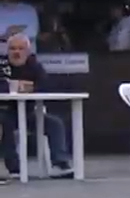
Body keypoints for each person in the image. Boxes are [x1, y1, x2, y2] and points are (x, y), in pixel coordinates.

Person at [0, 33, 74, 179]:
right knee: (4, 124)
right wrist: (15, 86)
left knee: (55, 123)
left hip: (29, 113)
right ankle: (15, 169)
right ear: (7, 51)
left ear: (28, 51)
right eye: (12, 49)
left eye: (20, 49)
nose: (16, 52)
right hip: (4, 112)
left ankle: (60, 163)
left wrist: (30, 87)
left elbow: (46, 85)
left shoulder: (34, 65)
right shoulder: (2, 65)